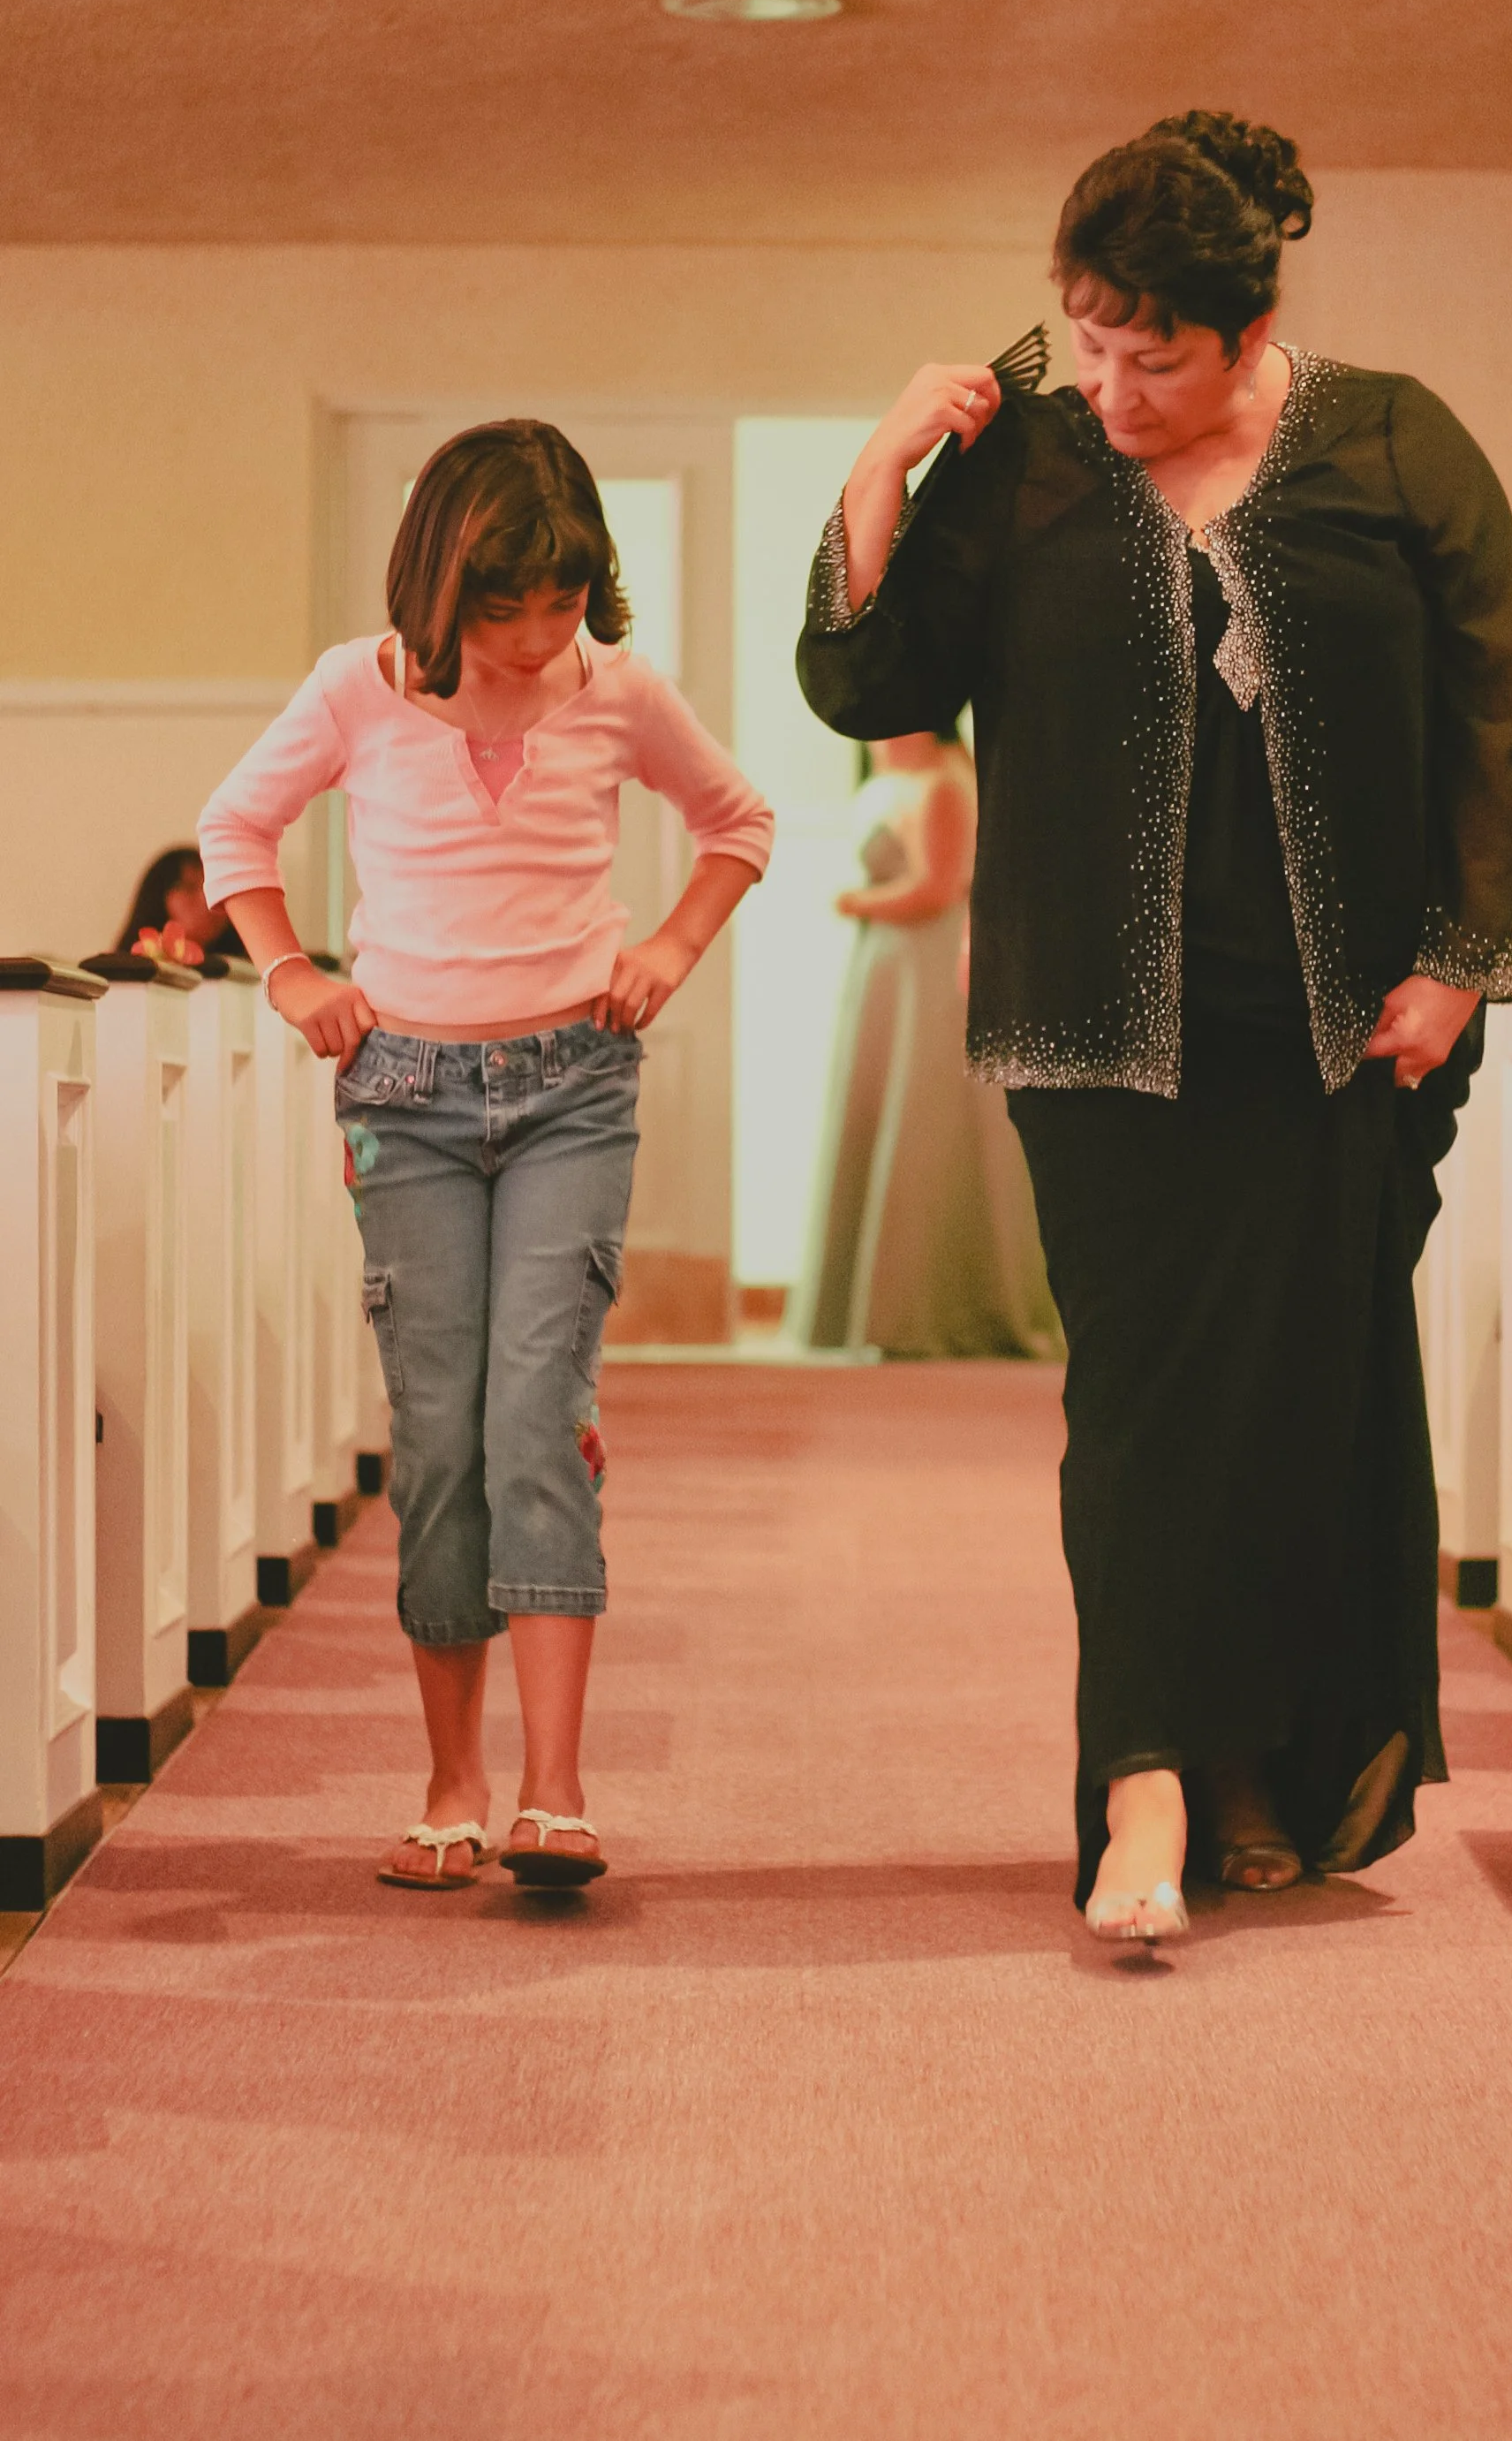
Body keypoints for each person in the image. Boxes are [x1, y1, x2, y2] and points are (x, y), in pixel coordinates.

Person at [798, 112, 1512, 1944]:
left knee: (1298, 1398)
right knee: (1133, 1402)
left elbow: (1487, 716)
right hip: (1091, 1030)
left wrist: (1458, 953)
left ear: (1246, 324)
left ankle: (1260, 1768)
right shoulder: (1022, 458)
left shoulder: (1393, 441)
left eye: (1156, 355)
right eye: (1089, 338)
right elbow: (864, 679)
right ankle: (1136, 1785)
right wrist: (884, 465)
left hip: (1331, 1027)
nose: (1111, 385)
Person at [199, 420, 772, 1892]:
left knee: (539, 1409)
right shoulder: (356, 689)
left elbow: (737, 819)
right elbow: (236, 828)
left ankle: (554, 1789)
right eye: (502, 607)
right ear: (438, 590)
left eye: (561, 603)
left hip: (574, 1082)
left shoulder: (618, 690)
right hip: (403, 1094)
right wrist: (290, 974)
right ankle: (450, 1782)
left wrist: (670, 944)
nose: (531, 638)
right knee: (441, 1431)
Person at [788, 726, 1061, 1359]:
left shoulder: (945, 780)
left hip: (927, 971)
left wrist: (855, 901)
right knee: (882, 1125)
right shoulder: (885, 769)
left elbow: (938, 886)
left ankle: (939, 1308)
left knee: (925, 1133)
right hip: (888, 973)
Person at [114, 845, 246, 962]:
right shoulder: (125, 974)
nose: (207, 899)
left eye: (215, 888)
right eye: (190, 888)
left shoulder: (249, 971)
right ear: (158, 897)